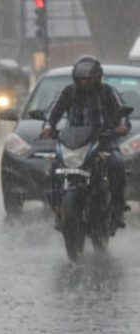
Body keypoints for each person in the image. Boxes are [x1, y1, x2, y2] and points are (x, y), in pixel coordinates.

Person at [43, 55, 130, 227]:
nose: (85, 82)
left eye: (89, 78)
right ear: (75, 77)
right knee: (54, 167)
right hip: (74, 142)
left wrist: (121, 126)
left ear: (98, 77)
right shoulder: (68, 92)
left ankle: (118, 208)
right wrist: (48, 126)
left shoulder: (107, 91)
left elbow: (121, 113)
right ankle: (59, 207)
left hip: (103, 140)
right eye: (82, 78)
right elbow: (52, 111)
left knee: (116, 164)